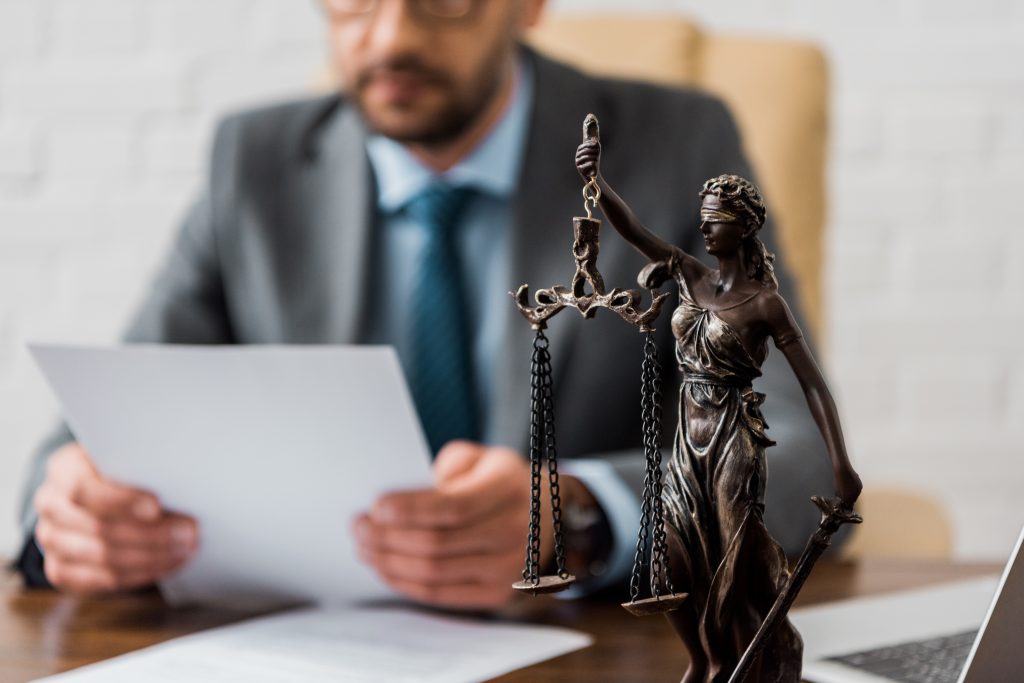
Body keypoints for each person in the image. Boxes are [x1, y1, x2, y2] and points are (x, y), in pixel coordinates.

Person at [14, 0, 841, 611]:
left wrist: (583, 516)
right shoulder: (255, 163)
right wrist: (71, 515)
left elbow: (799, 451)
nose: (393, 36)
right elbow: (87, 436)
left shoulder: (672, 146)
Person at [577, 136, 861, 680]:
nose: (704, 230)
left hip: (734, 441)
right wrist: (597, 181)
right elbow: (632, 229)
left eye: (715, 221)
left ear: (743, 227)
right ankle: (703, 660)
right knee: (676, 553)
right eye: (703, 220)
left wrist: (840, 464)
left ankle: (752, 664)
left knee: (732, 565)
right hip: (687, 441)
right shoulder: (688, 274)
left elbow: (813, 386)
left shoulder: (764, 303)